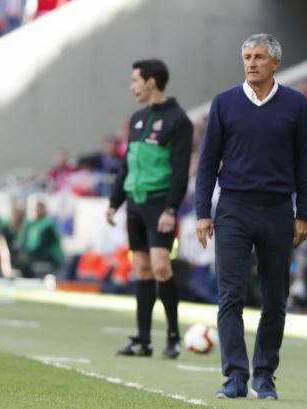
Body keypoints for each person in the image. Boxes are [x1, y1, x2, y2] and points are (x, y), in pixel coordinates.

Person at [195, 34, 307, 400]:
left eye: (259, 57)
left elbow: (306, 163)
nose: (251, 63)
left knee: (275, 298)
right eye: (247, 56)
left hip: (278, 209)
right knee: (230, 295)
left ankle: (265, 375)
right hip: (232, 207)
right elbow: (206, 164)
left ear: (275, 62)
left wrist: (303, 213)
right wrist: (203, 212)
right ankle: (235, 376)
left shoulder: (296, 104)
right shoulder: (224, 103)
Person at [107, 59, 193, 359]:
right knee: (142, 269)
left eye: (135, 81)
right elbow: (126, 164)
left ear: (151, 82)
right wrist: (114, 202)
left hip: (159, 204)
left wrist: (171, 209)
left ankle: (173, 336)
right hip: (134, 203)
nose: (132, 87)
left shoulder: (179, 120)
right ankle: (143, 340)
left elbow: (180, 171)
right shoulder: (137, 119)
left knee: (160, 266)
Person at [14, 199, 63, 278]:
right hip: (34, 255)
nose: (38, 210)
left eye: (41, 208)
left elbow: (43, 245)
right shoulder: (32, 224)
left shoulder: (48, 225)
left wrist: (29, 254)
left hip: (47, 257)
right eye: (37, 208)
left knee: (25, 265)